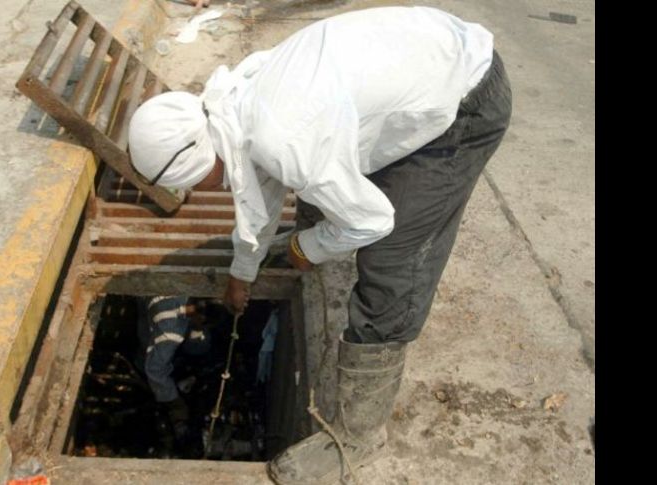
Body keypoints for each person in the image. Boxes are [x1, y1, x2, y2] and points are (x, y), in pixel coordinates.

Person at [127, 6, 512, 483]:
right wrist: (242, 272)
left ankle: (359, 438)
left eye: (190, 185)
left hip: (466, 102)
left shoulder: (283, 138)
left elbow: (373, 220)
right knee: (318, 199)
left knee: (391, 261)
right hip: (431, 61)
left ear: (198, 162)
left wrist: (306, 249)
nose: (196, 194)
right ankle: (324, 239)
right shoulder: (233, 107)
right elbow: (261, 185)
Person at [134, 296, 209, 454]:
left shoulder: (187, 298)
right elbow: (155, 370)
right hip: (157, 322)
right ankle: (142, 359)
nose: (203, 326)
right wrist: (175, 404)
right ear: (199, 315)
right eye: (204, 323)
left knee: (200, 344)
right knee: (150, 362)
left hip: (154, 299)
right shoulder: (170, 333)